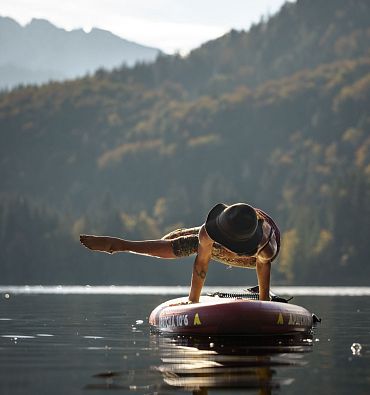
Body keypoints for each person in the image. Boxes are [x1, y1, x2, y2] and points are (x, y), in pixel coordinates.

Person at [80, 203, 280, 302]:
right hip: (233, 226)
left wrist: (264, 304)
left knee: (194, 242)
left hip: (251, 254)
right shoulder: (211, 230)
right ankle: (122, 245)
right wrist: (193, 301)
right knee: (189, 239)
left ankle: (124, 245)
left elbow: (263, 268)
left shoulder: (265, 247)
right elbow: (201, 265)